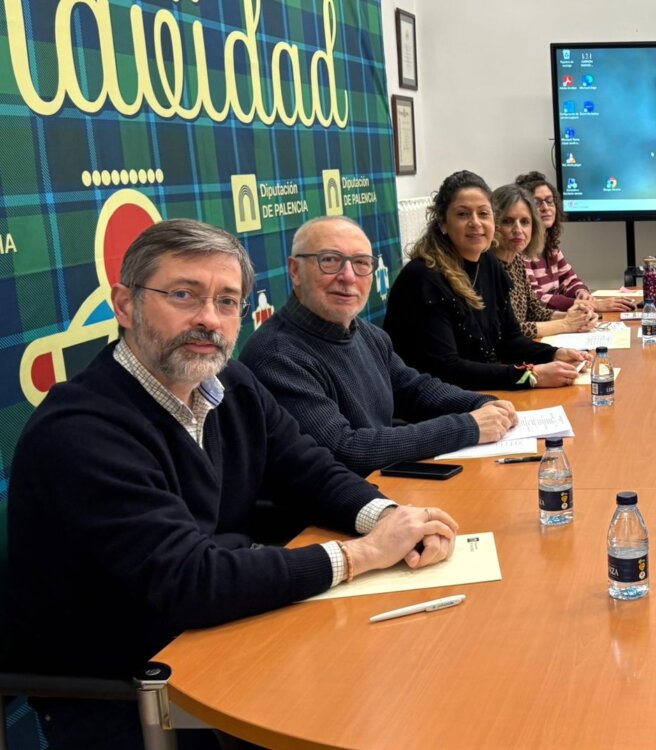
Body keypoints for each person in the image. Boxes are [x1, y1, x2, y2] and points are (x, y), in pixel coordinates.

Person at [5, 219, 460, 748]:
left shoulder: (231, 385)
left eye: (227, 302)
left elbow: (310, 469)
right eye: (183, 295)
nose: (208, 320)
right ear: (125, 305)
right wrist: (362, 555)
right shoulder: (82, 430)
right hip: (131, 683)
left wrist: (386, 518)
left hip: (228, 631)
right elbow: (190, 581)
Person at [241, 216, 517, 477]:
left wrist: (483, 404)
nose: (348, 276)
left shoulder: (369, 334)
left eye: (361, 263)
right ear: (295, 270)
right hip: (320, 519)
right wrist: (468, 426)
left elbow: (415, 390)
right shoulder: (276, 356)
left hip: (381, 486)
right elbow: (344, 449)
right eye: (330, 261)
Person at [383, 170, 588, 390]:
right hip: (434, 403)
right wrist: (530, 376)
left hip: (479, 391)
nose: (475, 223)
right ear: (442, 222)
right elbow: (446, 369)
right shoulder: (423, 278)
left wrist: (554, 354)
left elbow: (510, 341)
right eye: (463, 214)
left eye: (483, 213)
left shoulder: (489, 264)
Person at [514, 170, 635, 312]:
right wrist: (593, 306)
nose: (546, 208)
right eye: (537, 203)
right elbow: (537, 301)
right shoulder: (519, 250)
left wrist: (581, 292)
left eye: (549, 201)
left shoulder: (550, 247)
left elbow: (570, 280)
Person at [490, 183, 597, 338]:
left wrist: (578, 316)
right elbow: (506, 331)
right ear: (493, 223)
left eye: (525, 222)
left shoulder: (516, 260)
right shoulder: (486, 267)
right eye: (508, 221)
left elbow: (534, 310)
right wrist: (565, 324)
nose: (518, 230)